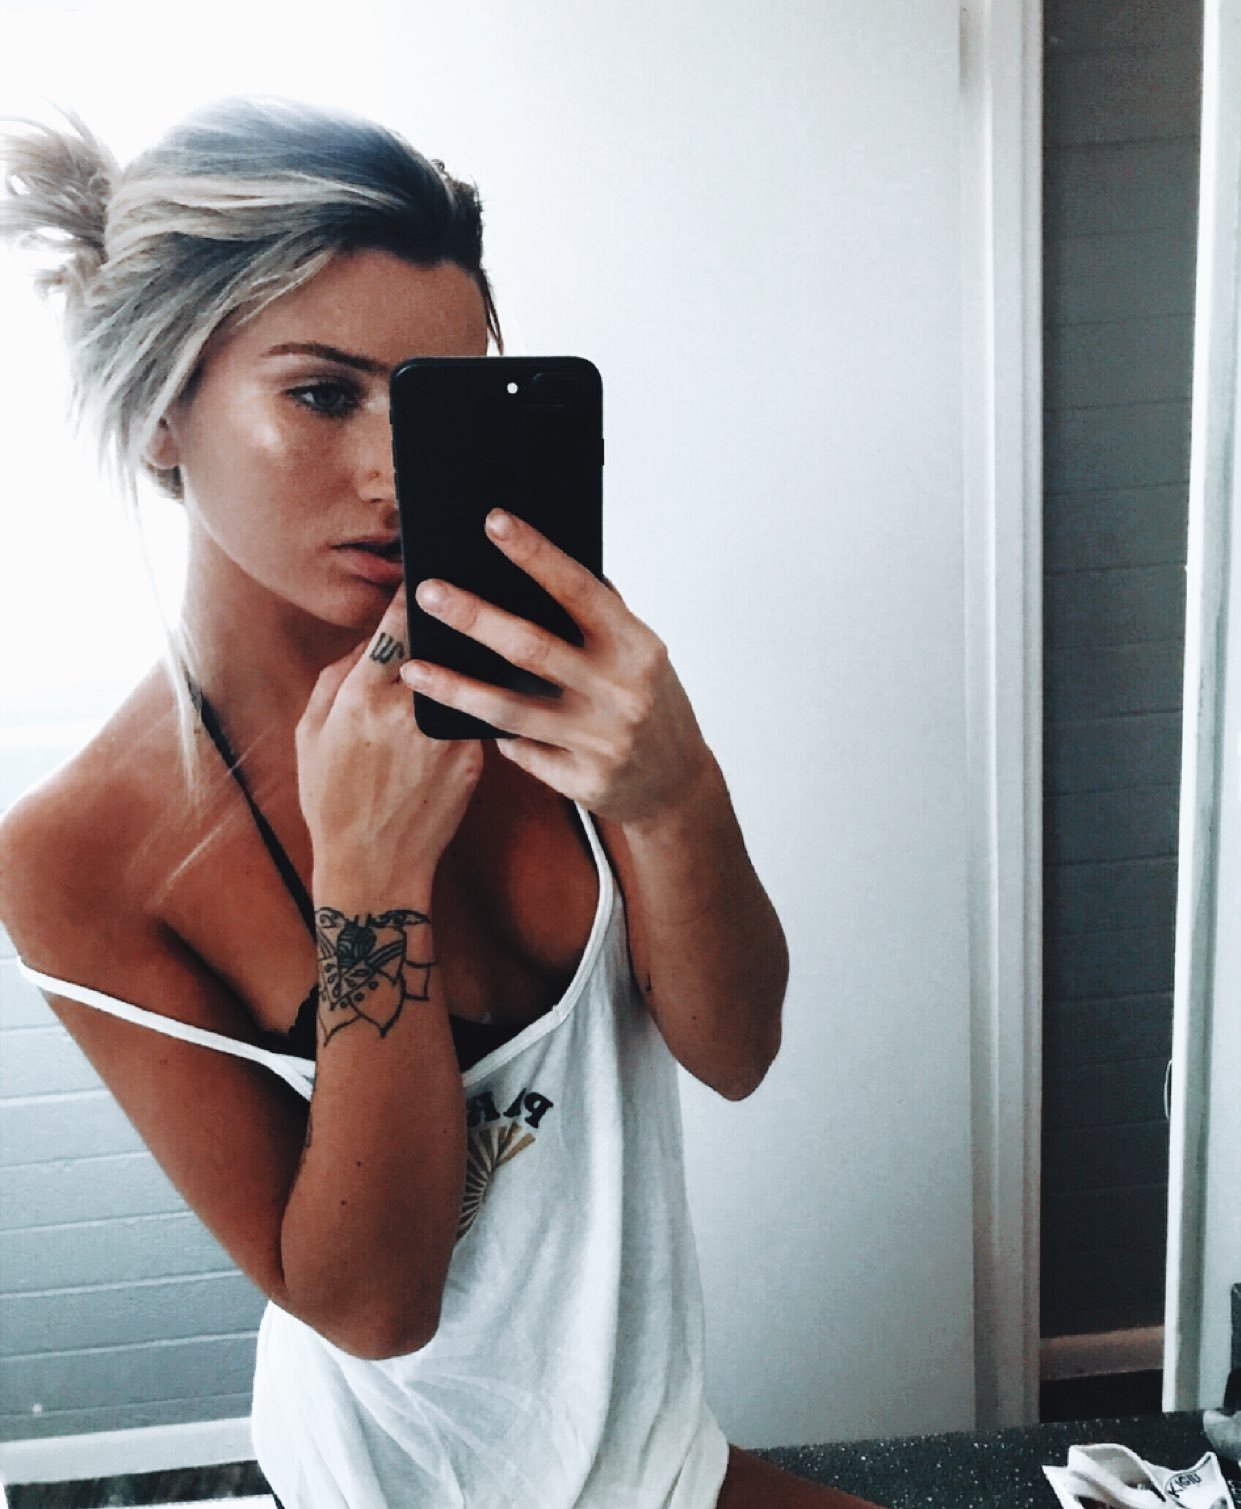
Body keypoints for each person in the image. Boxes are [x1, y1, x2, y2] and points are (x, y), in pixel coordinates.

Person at [0, 99, 883, 1509]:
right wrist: (368, 882)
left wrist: (675, 793)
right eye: (322, 395)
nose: (392, 476)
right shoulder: (78, 856)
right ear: (164, 410)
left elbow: (734, 1048)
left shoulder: (547, 677)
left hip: (655, 1457)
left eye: (430, 402)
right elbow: (373, 1303)